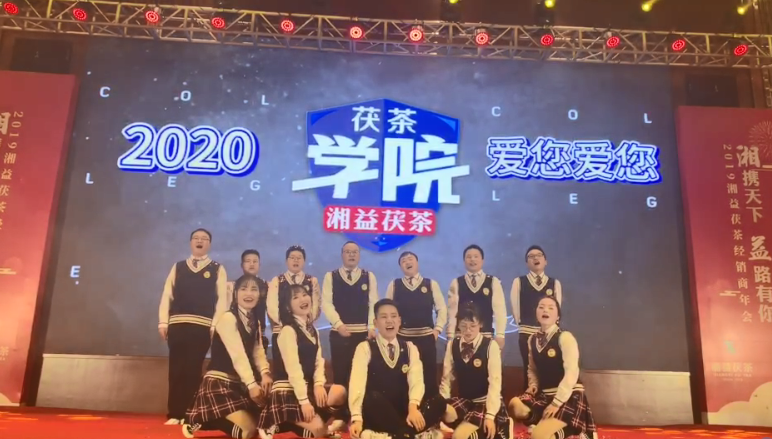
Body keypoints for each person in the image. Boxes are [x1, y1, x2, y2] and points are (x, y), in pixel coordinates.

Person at [183, 274, 273, 439]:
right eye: (244, 289)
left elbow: (258, 352)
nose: (249, 293)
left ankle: (207, 417)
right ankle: (200, 418)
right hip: (218, 383)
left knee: (255, 427)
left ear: (259, 294)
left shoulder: (255, 321)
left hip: (238, 384)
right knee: (245, 433)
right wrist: (252, 385)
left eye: (254, 289)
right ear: (235, 293)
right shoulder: (227, 318)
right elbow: (238, 355)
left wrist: (265, 373)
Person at [158, 228, 228, 425]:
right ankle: (175, 413)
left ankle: (189, 414)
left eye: (204, 239)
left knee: (193, 370)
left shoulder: (217, 269)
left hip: (202, 326)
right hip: (177, 324)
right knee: (176, 369)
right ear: (190, 243)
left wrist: (215, 325)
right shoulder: (178, 267)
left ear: (209, 244)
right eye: (196, 238)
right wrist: (163, 321)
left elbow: (222, 299)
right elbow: (167, 294)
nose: (200, 241)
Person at [258, 284, 347, 438]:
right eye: (295, 297)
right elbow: (294, 370)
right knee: (318, 430)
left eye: (304, 295)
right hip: (287, 391)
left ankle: (294, 424)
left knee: (340, 392)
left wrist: (318, 384)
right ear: (288, 307)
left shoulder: (313, 331)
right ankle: (276, 423)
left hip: (307, 387)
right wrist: (304, 401)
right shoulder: (288, 331)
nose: (302, 299)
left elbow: (318, 362)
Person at [349, 299, 445, 439]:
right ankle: (412, 435)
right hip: (379, 412)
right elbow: (357, 384)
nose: (389, 321)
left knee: (439, 402)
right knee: (371, 399)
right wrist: (356, 419)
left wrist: (413, 408)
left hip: (405, 413)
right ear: (375, 323)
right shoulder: (364, 348)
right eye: (384, 317)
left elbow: (416, 381)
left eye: (393, 316)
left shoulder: (410, 348)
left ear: (399, 321)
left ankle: (397, 435)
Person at [507, 296, 596, 439]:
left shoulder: (565, 337)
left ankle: (576, 431)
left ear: (558, 316)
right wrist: (533, 384)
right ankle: (543, 424)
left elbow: (572, 373)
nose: (545, 310)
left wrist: (556, 403)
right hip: (546, 396)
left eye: (550, 308)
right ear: (536, 312)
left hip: (568, 396)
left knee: (538, 436)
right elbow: (532, 368)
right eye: (541, 307)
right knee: (515, 405)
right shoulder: (532, 339)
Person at [440, 303, 510, 439]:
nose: (468, 331)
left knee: (458, 436)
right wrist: (442, 406)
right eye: (463, 326)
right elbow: (446, 379)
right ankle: (470, 426)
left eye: (472, 326)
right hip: (465, 401)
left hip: (485, 402)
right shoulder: (452, 344)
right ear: (458, 325)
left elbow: (495, 384)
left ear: (480, 324)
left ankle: (500, 426)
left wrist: (490, 416)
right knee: (440, 410)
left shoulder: (490, 346)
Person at [385, 252, 447, 397]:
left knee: (428, 376)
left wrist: (437, 330)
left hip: (426, 339)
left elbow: (441, 309)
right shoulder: (394, 285)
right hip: (403, 339)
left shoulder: (430, 284)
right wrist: (391, 333)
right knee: (403, 376)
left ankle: (429, 407)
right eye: (403, 261)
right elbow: (387, 310)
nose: (407, 262)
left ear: (417, 263)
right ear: (401, 266)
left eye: (410, 259)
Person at [322, 241, 378, 387]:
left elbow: (373, 303)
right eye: (348, 252)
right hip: (339, 334)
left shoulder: (369, 276)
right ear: (342, 255)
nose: (351, 255)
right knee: (340, 378)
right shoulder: (331, 276)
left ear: (359, 255)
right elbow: (326, 303)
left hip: (363, 335)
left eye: (355, 252)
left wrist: (371, 327)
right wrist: (338, 324)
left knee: (362, 378)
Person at [510, 245, 563, 391]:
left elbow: (557, 309)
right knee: (529, 369)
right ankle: (529, 400)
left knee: (549, 367)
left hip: (549, 333)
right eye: (531, 256)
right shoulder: (519, 282)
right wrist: (524, 325)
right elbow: (516, 309)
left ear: (546, 261)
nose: (535, 258)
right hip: (526, 332)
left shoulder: (554, 283)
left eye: (539, 255)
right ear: (527, 263)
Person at [447, 245, 508, 350]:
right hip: (462, 336)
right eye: (469, 257)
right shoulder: (456, 283)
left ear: (482, 260)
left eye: (476, 256)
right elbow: (452, 313)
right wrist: (450, 336)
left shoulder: (493, 282)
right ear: (464, 261)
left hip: (486, 336)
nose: (472, 259)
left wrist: (500, 335)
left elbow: (500, 311)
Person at [266, 245, 321, 357]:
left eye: (299, 258)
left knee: (308, 364)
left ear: (304, 261)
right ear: (286, 261)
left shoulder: (312, 281)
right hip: (281, 330)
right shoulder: (277, 281)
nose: (296, 260)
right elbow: (272, 307)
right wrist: (287, 325)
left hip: (306, 332)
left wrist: (304, 324)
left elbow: (316, 305)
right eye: (292, 258)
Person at [228, 250, 269, 348]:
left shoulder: (266, 285)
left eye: (255, 261)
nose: (252, 264)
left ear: (259, 265)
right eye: (248, 261)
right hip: (238, 331)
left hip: (259, 333)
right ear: (242, 265)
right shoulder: (234, 285)